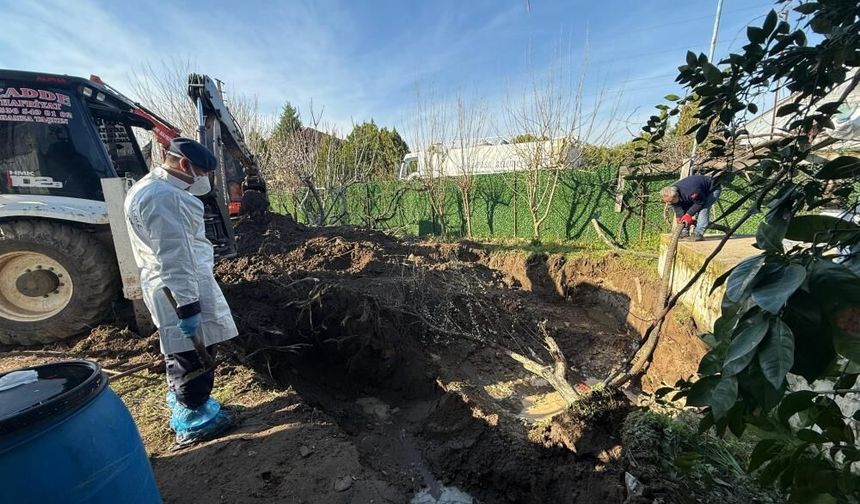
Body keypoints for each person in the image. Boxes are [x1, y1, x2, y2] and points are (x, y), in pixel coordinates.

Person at [124, 137, 238, 447]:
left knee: (178, 352)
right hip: (181, 289)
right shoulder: (168, 199)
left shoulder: (145, 188)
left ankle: (185, 403)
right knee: (194, 356)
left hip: (162, 286)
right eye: (201, 172)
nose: (204, 180)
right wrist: (189, 306)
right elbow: (177, 256)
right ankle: (196, 419)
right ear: (184, 165)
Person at [660, 175, 721, 241]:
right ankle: (684, 232)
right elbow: (678, 207)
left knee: (703, 209)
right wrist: (679, 218)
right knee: (683, 215)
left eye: (670, 201)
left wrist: (688, 214)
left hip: (712, 189)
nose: (669, 203)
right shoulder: (673, 194)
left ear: (676, 196)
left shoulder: (691, 192)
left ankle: (698, 234)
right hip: (698, 193)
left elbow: (700, 202)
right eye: (666, 201)